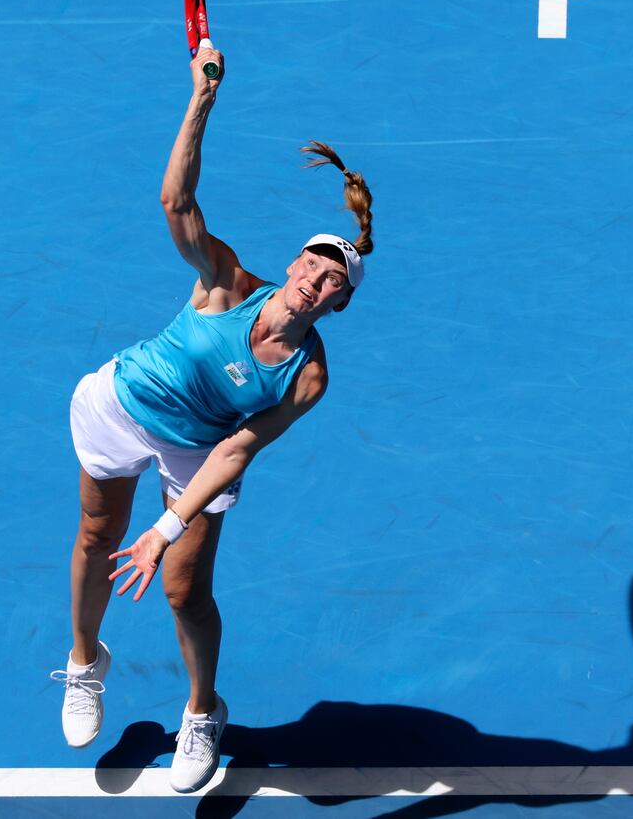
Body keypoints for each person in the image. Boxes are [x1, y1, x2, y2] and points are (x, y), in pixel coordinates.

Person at [50, 44, 374, 793]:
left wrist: (165, 530)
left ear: (339, 303)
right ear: (292, 266)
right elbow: (178, 204)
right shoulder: (228, 282)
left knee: (183, 591)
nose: (316, 282)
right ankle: (83, 659)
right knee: (97, 536)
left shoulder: (308, 376)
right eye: (312, 265)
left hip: (199, 451)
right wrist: (201, 100)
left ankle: (203, 708)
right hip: (121, 404)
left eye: (333, 282)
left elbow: (236, 450)